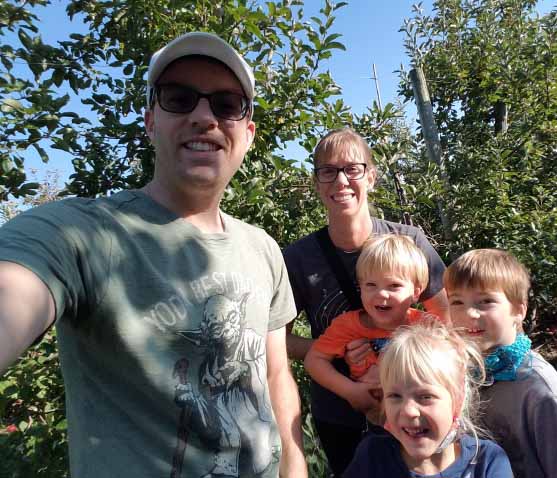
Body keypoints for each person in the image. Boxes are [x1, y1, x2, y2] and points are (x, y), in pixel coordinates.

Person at [0, 32, 307, 478]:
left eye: (226, 104)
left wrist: (294, 468)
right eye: (179, 99)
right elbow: (15, 287)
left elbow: (276, 375)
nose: (205, 116)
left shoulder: (261, 248)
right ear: (150, 121)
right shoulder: (82, 232)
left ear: (248, 133)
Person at [284, 127, 449, 476]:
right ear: (317, 183)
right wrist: (335, 347)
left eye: (352, 169)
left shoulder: (408, 242)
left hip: (411, 409)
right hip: (339, 411)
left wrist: (402, 356)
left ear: (371, 177)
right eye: (327, 171)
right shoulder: (298, 258)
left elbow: (447, 321)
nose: (340, 180)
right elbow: (279, 339)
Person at [445, 249, 557, 478]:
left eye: (486, 301)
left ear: (519, 310)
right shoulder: (458, 372)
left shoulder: (540, 391)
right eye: (457, 302)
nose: (470, 314)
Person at [343, 320, 513, 477]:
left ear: (458, 400)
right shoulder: (372, 457)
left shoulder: (487, 463)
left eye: (425, 396)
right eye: (395, 396)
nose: (408, 411)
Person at [304, 233, 434, 425]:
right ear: (361, 287)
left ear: (416, 291)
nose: (381, 293)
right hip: (374, 422)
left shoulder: (426, 327)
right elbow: (314, 360)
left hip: (418, 419)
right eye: (371, 285)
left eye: (394, 286)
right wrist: (350, 391)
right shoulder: (348, 326)